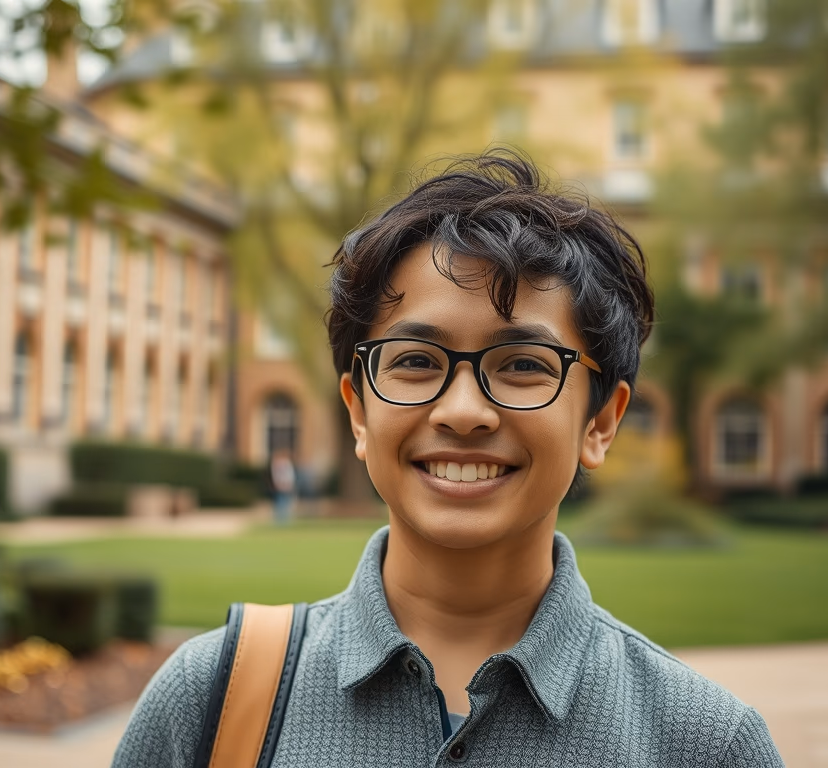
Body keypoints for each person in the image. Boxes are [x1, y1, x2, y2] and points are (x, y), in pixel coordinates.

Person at [112, 151, 783, 766]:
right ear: (358, 412)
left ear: (600, 422)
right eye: (415, 361)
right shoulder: (207, 702)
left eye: (523, 363)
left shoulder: (705, 743)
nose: (462, 411)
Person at [270, 450, 298, 525]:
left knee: (286, 503)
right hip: (280, 487)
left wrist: (289, 484)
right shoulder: (276, 465)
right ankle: (280, 520)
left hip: (287, 486)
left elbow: (290, 475)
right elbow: (276, 476)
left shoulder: (286, 464)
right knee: (279, 503)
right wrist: (279, 484)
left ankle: (285, 519)